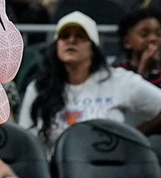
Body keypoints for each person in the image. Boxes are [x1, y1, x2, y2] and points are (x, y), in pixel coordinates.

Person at [18, 10, 161, 153]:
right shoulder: (39, 87)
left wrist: (133, 137)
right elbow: (25, 140)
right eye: (65, 36)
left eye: (80, 36)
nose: (71, 41)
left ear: (93, 47)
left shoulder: (120, 81)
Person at [115, 6, 161, 86]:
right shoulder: (117, 74)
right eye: (144, 34)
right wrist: (143, 71)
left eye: (158, 34)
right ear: (127, 42)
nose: (153, 39)